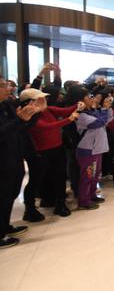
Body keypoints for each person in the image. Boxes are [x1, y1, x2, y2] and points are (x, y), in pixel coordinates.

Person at [23, 88, 81, 219]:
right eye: (40, 98)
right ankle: (30, 209)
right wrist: (70, 119)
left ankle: (60, 203)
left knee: (59, 176)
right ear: (30, 102)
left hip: (57, 148)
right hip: (40, 152)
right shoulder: (29, 116)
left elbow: (65, 111)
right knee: (36, 180)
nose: (44, 100)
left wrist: (78, 105)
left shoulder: (47, 109)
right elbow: (47, 126)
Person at [0, 76, 41, 248]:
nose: (8, 88)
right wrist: (20, 120)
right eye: (3, 86)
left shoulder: (8, 105)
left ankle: (5, 226)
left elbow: (22, 127)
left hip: (15, 156)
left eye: (7, 85)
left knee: (11, 193)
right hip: (2, 160)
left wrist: (32, 115)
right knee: (2, 196)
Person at [75, 87, 113, 210]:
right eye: (88, 97)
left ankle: (92, 195)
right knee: (87, 176)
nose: (91, 99)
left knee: (95, 175)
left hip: (97, 148)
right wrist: (104, 110)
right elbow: (98, 123)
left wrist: (104, 109)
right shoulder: (81, 115)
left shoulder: (93, 111)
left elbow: (106, 120)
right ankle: (84, 201)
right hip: (87, 149)